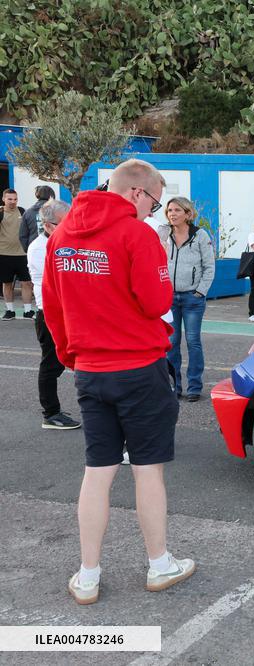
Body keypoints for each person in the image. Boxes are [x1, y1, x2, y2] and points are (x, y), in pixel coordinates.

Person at [43, 158, 195, 605]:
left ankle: (87, 575)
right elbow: (155, 302)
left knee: (98, 472)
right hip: (138, 369)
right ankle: (159, 563)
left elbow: (52, 307)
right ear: (136, 193)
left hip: (90, 370)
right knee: (148, 470)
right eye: (154, 200)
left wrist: (73, 354)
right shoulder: (137, 234)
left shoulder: (63, 235)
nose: (154, 211)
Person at [26, 199, 80, 430]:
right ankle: (51, 413)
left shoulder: (60, 242)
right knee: (51, 365)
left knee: (62, 362)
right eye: (64, 222)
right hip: (49, 313)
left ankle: (53, 411)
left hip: (65, 311)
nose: (70, 226)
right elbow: (59, 282)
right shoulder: (41, 247)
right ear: (48, 226)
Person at [164, 196, 215, 402]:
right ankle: (174, 386)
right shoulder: (164, 234)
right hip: (169, 298)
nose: (172, 214)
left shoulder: (200, 235)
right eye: (169, 211)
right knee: (171, 342)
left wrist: (200, 291)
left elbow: (209, 266)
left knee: (193, 341)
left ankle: (194, 386)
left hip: (193, 298)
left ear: (188, 213)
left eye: (177, 210)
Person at [1, 188, 34, 320]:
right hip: (4, 254)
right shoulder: (0, 212)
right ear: (3, 199)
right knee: (7, 283)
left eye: (15, 199)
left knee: (27, 283)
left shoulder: (22, 211)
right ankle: (10, 311)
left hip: (23, 254)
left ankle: (28, 311)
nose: (12, 202)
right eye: (9, 199)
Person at [20, 185, 55, 251]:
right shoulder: (57, 211)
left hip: (34, 248)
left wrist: (28, 249)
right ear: (51, 195)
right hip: (53, 248)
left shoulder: (28, 212)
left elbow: (22, 235)